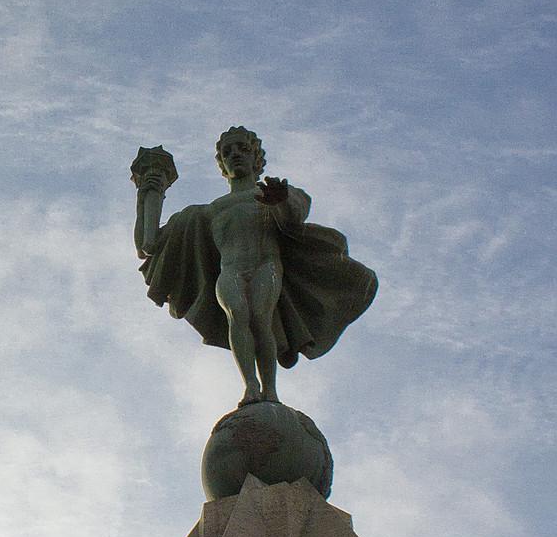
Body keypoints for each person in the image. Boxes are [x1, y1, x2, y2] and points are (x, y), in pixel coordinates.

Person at [132, 127, 376, 407]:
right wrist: (149, 193)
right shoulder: (210, 211)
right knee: (237, 315)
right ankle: (251, 385)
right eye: (227, 152)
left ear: (256, 158)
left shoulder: (271, 193)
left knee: (261, 318)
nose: (235, 155)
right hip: (231, 270)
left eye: (242, 149)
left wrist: (280, 202)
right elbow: (149, 246)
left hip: (266, 266)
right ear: (222, 164)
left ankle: (270, 392)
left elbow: (293, 220)